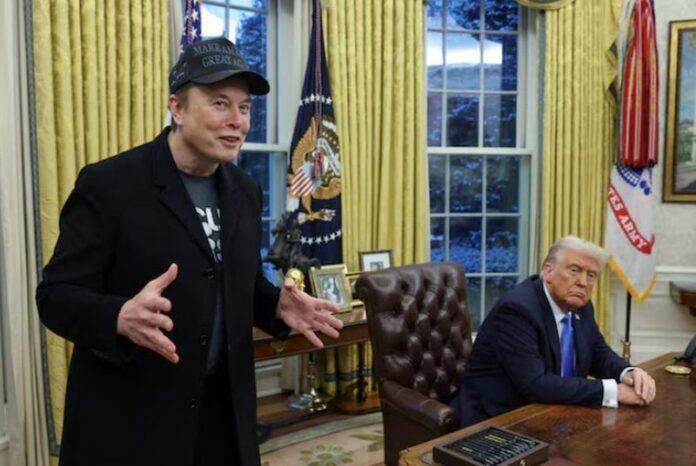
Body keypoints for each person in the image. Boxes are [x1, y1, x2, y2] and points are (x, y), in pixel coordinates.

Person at [35, 37, 343, 466]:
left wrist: (276, 305)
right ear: (177, 108)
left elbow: (235, 284)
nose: (238, 121)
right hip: (134, 419)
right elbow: (55, 297)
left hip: (222, 415)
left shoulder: (245, 191)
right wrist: (118, 316)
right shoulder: (108, 185)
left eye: (245, 107)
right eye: (220, 103)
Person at [452, 235, 656, 427]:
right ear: (548, 271)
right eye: (574, 270)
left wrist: (627, 372)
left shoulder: (581, 305)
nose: (583, 282)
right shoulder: (517, 310)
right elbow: (536, 384)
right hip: (499, 420)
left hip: (552, 412)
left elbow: (597, 352)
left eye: (591, 275)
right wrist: (613, 391)